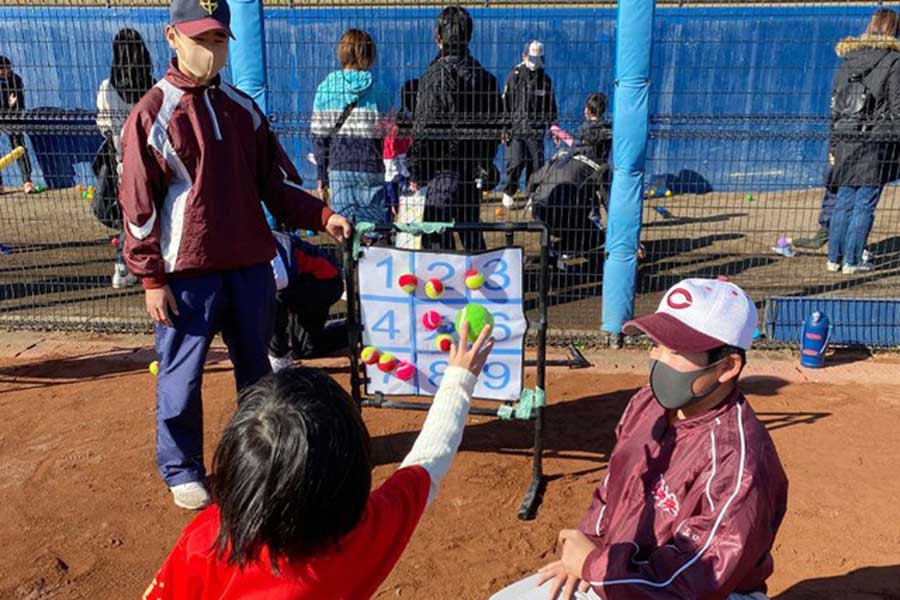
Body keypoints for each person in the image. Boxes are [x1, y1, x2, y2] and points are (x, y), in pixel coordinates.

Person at [119, 0, 351, 510]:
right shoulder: (152, 114)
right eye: (201, 40)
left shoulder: (243, 108)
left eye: (220, 40)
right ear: (173, 37)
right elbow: (137, 205)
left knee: (258, 376)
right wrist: (150, 277)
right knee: (181, 378)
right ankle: (182, 468)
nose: (211, 51)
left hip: (250, 266)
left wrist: (320, 215)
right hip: (187, 274)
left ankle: (259, 460)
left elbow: (276, 182)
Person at [144, 322, 494, 599]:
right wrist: (459, 379)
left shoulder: (209, 535)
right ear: (350, 475)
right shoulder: (364, 535)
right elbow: (429, 461)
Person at [492, 278, 788, 600]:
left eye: (675, 351)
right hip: (624, 571)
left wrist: (593, 566)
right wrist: (587, 549)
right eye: (655, 344)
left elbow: (694, 581)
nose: (658, 361)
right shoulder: (648, 403)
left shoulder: (739, 463)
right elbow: (613, 484)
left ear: (727, 366)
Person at [408, 5, 503, 252]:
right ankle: (481, 283)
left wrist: (417, 170)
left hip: (442, 170)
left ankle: (445, 285)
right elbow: (494, 130)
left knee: (437, 240)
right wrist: (483, 162)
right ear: (468, 36)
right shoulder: (486, 79)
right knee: (471, 235)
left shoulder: (433, 77)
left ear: (438, 35)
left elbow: (423, 128)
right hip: (471, 171)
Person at [827, 8, 900, 274]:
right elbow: (897, 108)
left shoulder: (849, 58)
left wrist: (833, 144)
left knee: (845, 199)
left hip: (846, 137)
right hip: (875, 141)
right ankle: (853, 261)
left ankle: (834, 258)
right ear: (893, 30)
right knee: (865, 203)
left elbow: (836, 105)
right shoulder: (893, 61)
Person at [312, 29, 391, 225]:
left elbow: (320, 136)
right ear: (370, 55)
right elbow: (388, 129)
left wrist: (321, 175)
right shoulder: (379, 89)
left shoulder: (326, 88)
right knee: (373, 232)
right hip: (371, 165)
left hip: (339, 166)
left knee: (344, 230)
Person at [96, 28, 155, 289]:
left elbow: (104, 127)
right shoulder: (153, 86)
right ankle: (138, 264)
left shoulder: (107, 87)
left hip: (121, 159)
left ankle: (125, 264)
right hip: (147, 160)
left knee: (127, 212)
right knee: (142, 211)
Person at [528, 92, 611, 258]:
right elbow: (608, 200)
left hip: (538, 212)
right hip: (562, 214)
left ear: (587, 110)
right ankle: (564, 251)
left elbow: (533, 180)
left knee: (577, 194)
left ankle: (553, 245)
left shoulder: (565, 153)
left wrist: (531, 198)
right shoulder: (601, 166)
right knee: (600, 235)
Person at [267, 231, 347, 373]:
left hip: (324, 282)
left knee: (270, 297)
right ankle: (349, 329)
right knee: (306, 349)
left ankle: (279, 357)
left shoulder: (269, 239)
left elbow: (279, 281)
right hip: (299, 285)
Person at [501, 40, 558, 209]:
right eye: (532, 58)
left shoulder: (545, 80)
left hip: (536, 130)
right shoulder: (515, 76)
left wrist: (554, 127)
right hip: (517, 129)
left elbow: (550, 105)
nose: (535, 63)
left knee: (536, 166)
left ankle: (533, 196)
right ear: (524, 55)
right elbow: (506, 103)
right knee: (515, 162)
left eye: (538, 59)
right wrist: (505, 127)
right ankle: (509, 191)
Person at [0, 56, 35, 195]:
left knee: (19, 148)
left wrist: (13, 106)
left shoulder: (16, 79)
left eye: (8, 69)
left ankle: (27, 181)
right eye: (4, 70)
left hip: (12, 118)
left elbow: (20, 103)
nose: (7, 71)